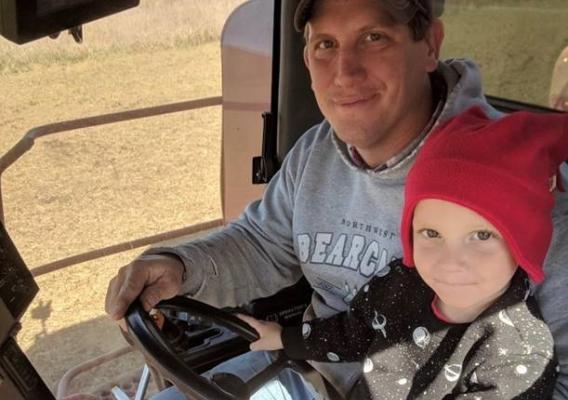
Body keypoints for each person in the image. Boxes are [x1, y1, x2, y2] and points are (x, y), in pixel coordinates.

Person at [104, 0, 568, 399]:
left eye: (373, 37)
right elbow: (263, 244)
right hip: (311, 364)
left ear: (430, 45)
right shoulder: (316, 151)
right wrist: (181, 265)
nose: (345, 72)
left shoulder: (520, 181)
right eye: (325, 44)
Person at [238, 106, 565, 399]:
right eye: (431, 233)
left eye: (482, 235)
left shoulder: (520, 355)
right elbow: (353, 333)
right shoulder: (401, 284)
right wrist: (287, 338)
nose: (450, 261)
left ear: (525, 243)